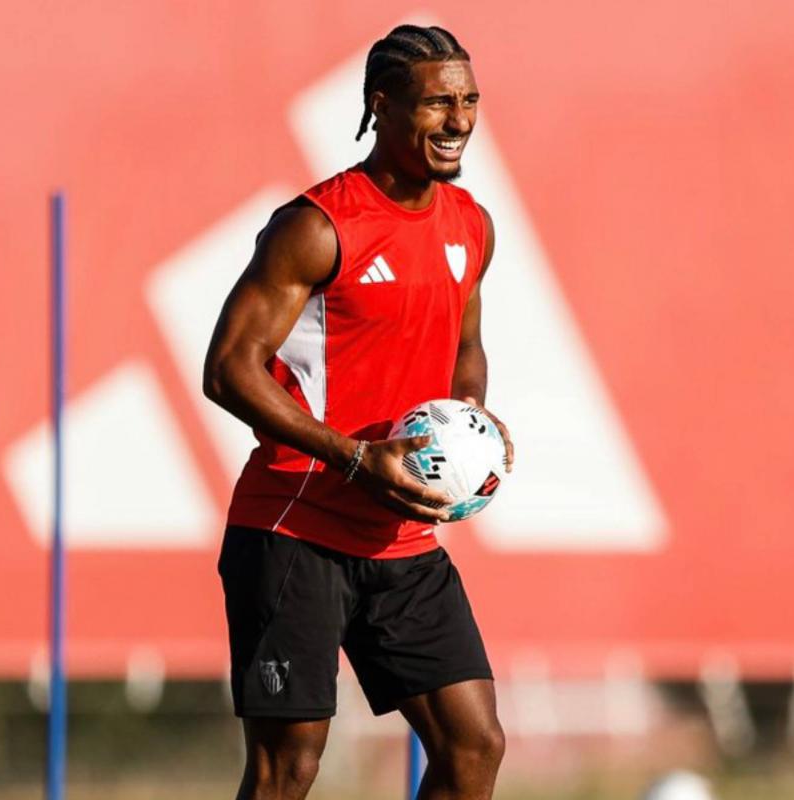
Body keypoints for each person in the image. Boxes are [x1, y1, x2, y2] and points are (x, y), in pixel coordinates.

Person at [203, 23, 513, 800]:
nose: (459, 120)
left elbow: (466, 345)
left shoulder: (471, 224)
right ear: (382, 105)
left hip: (401, 539)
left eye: (469, 100)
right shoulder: (316, 226)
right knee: (287, 768)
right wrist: (353, 456)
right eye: (437, 102)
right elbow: (228, 369)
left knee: (474, 747)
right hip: (294, 529)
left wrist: (470, 421)